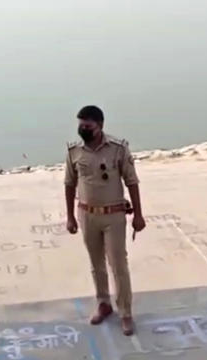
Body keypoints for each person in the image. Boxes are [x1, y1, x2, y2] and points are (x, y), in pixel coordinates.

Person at [64, 105, 146, 336]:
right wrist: (70, 216)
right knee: (96, 264)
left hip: (114, 215)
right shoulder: (74, 151)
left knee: (118, 264)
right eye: (80, 125)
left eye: (87, 126)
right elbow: (69, 184)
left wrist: (138, 214)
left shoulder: (118, 148)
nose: (83, 129)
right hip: (87, 215)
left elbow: (132, 182)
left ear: (100, 126)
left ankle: (125, 312)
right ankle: (103, 303)